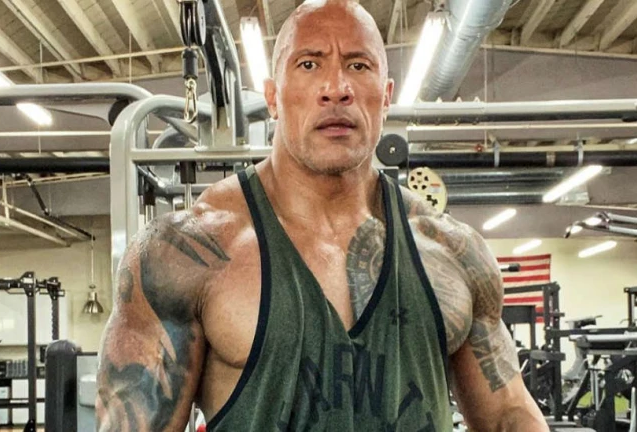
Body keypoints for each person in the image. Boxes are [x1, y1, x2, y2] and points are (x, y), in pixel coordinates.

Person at [96, 0, 549, 430]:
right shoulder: (187, 252)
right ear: (273, 97)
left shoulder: (451, 250)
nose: (337, 88)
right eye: (309, 64)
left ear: (386, 96)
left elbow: (507, 415)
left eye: (359, 65)